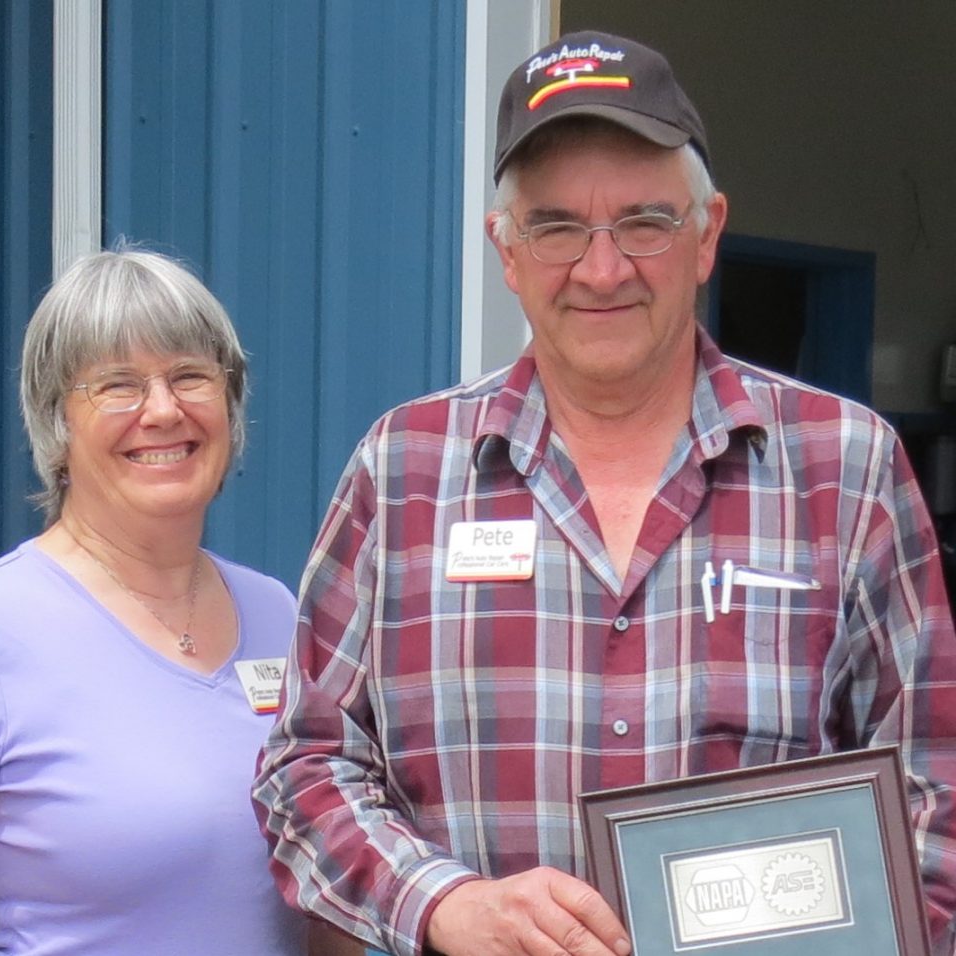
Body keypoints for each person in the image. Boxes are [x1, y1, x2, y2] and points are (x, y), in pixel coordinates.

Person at [252, 30, 956, 956]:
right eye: (556, 227)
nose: (602, 268)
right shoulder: (402, 471)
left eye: (644, 221)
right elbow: (306, 765)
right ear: (506, 251)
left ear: (706, 236)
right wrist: (444, 904)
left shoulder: (845, 466)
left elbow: (935, 795)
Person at [0, 247, 359, 956]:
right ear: (55, 424)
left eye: (191, 376)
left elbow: (324, 894)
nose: (162, 411)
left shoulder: (277, 612)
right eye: (117, 386)